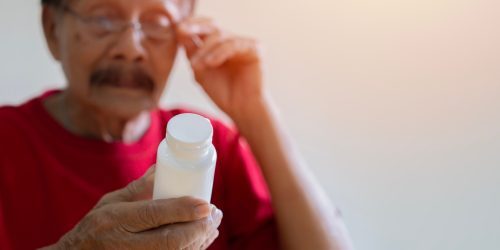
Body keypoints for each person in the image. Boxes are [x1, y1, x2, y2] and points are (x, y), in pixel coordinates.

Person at [0, 0, 353, 249]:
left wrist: (254, 110)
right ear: (51, 29)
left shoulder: (215, 151)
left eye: (156, 21)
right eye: (103, 17)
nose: (131, 47)